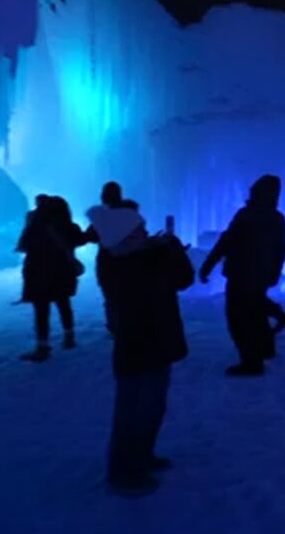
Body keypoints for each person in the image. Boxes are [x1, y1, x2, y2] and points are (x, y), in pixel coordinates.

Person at [100, 229, 191, 497]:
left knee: (153, 406)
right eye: (137, 230)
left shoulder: (153, 256)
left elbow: (183, 279)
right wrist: (160, 251)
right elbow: (120, 290)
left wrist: (171, 249)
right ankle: (123, 472)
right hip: (136, 344)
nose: (145, 233)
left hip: (159, 341)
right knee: (132, 411)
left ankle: (143, 456)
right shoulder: (116, 260)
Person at [199, 175, 285, 377]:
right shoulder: (277, 218)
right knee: (256, 314)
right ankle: (265, 349)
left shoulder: (246, 215)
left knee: (239, 319)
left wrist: (207, 266)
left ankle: (251, 362)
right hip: (261, 277)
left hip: (240, 275)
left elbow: (225, 242)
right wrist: (273, 273)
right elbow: (281, 250)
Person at [16, 195, 87, 362]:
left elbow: (23, 246)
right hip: (63, 272)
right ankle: (69, 336)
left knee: (41, 310)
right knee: (64, 303)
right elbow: (80, 240)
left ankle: (42, 346)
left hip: (38, 274)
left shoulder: (35, 227)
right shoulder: (70, 227)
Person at [86, 181, 146, 335]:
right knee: (128, 295)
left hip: (108, 262)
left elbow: (90, 236)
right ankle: (130, 324)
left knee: (111, 296)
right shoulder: (131, 214)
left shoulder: (103, 218)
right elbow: (142, 237)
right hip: (132, 262)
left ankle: (115, 328)